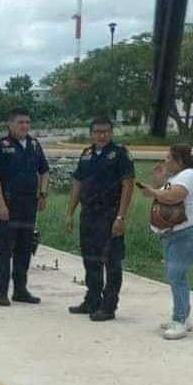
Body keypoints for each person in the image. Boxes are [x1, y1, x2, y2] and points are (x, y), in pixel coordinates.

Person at [65, 117, 134, 321]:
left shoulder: (120, 154)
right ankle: (92, 299)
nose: (101, 135)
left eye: (105, 131)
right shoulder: (86, 154)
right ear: (91, 134)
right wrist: (70, 213)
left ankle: (109, 305)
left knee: (111, 260)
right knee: (90, 259)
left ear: (111, 132)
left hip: (110, 214)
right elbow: (78, 184)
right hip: (89, 214)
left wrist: (121, 216)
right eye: (97, 132)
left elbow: (128, 184)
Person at [138, 144, 193, 340]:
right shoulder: (177, 177)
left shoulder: (190, 175)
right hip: (173, 235)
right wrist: (158, 182)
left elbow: (173, 196)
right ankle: (183, 316)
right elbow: (162, 193)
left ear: (180, 161)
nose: (165, 161)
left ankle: (180, 319)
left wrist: (153, 191)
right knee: (177, 276)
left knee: (176, 275)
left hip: (186, 235)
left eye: (169, 158)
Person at [0, 107, 50, 306]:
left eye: (27, 122)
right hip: (8, 205)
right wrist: (1, 203)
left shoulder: (34, 145)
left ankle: (20, 290)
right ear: (10, 124)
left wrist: (43, 194)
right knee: (5, 250)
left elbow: (45, 171)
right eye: (20, 122)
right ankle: (1, 293)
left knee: (24, 249)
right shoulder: (1, 146)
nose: (25, 126)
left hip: (28, 205)